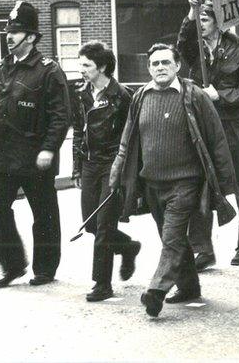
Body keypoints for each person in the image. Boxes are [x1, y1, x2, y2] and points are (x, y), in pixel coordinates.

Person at [109, 43, 236, 317]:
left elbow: (216, 140)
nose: (160, 68)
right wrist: (118, 170)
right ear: (148, 68)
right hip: (152, 183)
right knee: (173, 239)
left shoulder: (194, 96)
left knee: (172, 236)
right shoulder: (140, 96)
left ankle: (156, 291)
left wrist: (225, 185)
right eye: (155, 64)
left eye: (166, 62)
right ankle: (189, 287)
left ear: (177, 66)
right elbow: (128, 139)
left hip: (186, 182)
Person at [0, 1, 70, 288]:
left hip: (35, 155)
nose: (9, 36)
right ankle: (13, 265)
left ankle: (44, 269)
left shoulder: (49, 71)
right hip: (4, 156)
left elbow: (61, 116)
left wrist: (49, 148)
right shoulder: (1, 69)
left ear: (31, 37)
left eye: (16, 31)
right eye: (8, 30)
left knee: (43, 212)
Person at [178, 0, 239, 268]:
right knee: (200, 186)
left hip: (235, 128)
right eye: (199, 19)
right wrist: (192, 11)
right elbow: (182, 42)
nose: (200, 24)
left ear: (218, 23)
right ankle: (203, 250)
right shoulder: (196, 50)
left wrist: (220, 94)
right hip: (203, 127)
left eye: (205, 19)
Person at [72, 41, 140, 302]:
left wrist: (123, 169)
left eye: (86, 66)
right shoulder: (81, 94)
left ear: (101, 67)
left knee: (103, 226)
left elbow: (132, 135)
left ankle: (102, 283)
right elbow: (78, 132)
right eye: (80, 65)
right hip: (90, 164)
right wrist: (76, 168)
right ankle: (128, 247)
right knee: (90, 223)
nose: (82, 71)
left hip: (112, 164)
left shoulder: (122, 96)